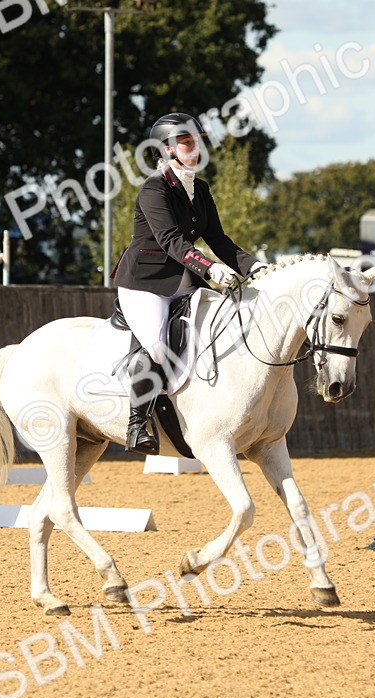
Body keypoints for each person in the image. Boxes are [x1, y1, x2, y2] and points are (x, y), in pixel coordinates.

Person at [113, 112, 265, 455]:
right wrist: (211, 269)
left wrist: (257, 267)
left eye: (197, 141)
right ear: (165, 149)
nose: (194, 147)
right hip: (145, 284)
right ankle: (137, 425)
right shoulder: (154, 189)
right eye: (186, 142)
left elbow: (220, 240)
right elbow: (172, 241)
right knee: (156, 344)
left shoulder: (201, 189)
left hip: (184, 281)